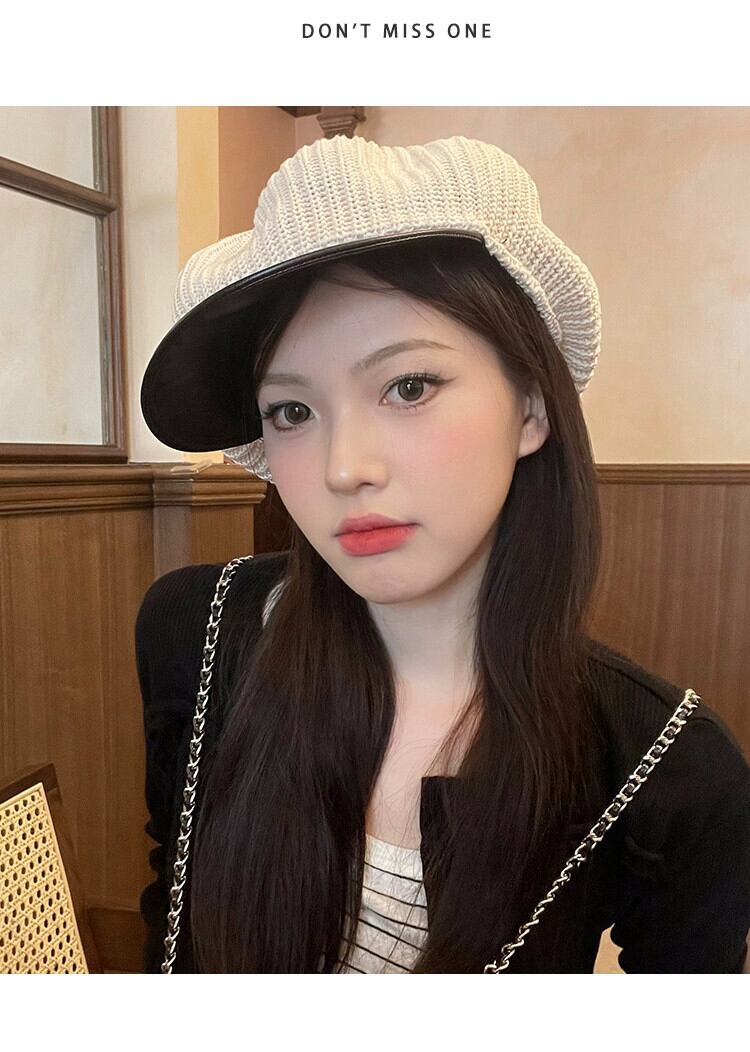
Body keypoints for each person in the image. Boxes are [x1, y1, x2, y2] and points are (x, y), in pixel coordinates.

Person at [136, 134, 750, 974]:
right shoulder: (195, 633)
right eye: (291, 412)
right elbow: (172, 920)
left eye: (409, 386)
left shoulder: (674, 776)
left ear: (531, 408)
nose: (346, 468)